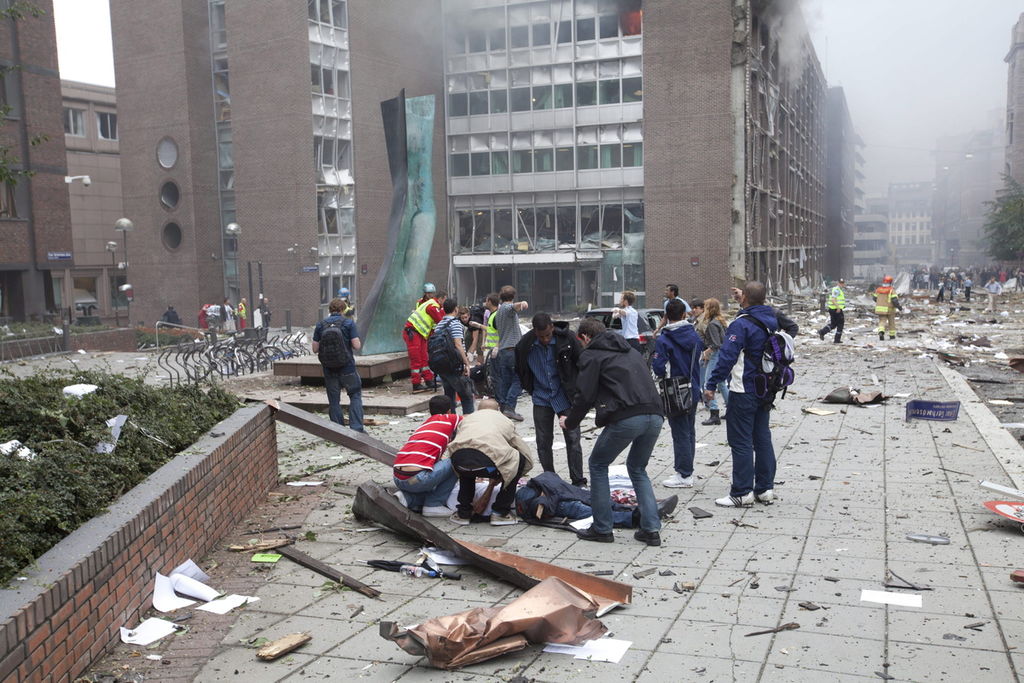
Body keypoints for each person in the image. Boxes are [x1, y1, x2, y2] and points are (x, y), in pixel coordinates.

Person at [561, 318, 664, 546]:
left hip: (628, 416)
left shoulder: (592, 355)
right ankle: (651, 529)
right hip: (656, 414)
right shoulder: (631, 351)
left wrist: (570, 422)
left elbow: (584, 395)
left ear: (585, 337)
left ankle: (602, 528)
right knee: (638, 468)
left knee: (598, 465)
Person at [703, 281, 778, 508]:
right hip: (765, 389)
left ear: (744, 297)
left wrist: (712, 383)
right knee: (762, 438)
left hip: (743, 389)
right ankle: (765, 489)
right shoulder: (772, 319)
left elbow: (727, 356)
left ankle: (742, 492)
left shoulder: (741, 325)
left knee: (741, 441)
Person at [515, 312, 586, 487]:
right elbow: (519, 368)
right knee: (543, 441)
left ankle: (578, 480)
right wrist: (528, 387)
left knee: (573, 439)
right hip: (541, 397)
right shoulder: (525, 345)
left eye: (547, 335)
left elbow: (582, 362)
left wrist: (580, 390)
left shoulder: (567, 339)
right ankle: (550, 479)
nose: (545, 339)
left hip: (565, 396)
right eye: (541, 337)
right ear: (534, 332)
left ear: (552, 327)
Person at [448, 398, 534, 526]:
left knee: (467, 464)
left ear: (479, 409)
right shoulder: (505, 420)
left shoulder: (467, 419)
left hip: (460, 463)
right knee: (519, 459)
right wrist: (518, 469)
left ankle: (463, 512)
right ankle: (500, 512)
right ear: (497, 409)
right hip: (489, 466)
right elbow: (519, 446)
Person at [653, 299, 703, 489]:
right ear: (684, 315)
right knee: (689, 430)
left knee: (680, 432)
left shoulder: (664, 339)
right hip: (694, 387)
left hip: (675, 391)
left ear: (666, 316)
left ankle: (684, 474)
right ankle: (687, 469)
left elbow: (658, 366)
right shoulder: (694, 335)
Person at [515, 472, 678, 528]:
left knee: (590, 503)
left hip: (558, 495)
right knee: (586, 509)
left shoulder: (526, 490)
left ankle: (642, 512)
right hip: (559, 501)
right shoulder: (524, 496)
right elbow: (537, 510)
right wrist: (543, 502)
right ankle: (637, 516)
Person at [392, 395, 461, 516]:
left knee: (434, 482)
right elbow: (470, 419)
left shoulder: (423, 426)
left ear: (430, 411)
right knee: (456, 461)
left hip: (398, 477)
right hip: (417, 479)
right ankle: (434, 504)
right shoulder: (448, 419)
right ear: (449, 411)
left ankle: (407, 498)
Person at [312, 297, 364, 432]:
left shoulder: (320, 325)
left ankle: (338, 430)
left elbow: (314, 349)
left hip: (329, 369)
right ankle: (356, 428)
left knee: (334, 400)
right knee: (355, 396)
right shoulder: (348, 323)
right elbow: (356, 345)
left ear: (330, 310)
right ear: (342, 309)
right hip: (347, 367)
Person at [431, 298, 474, 414]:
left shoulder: (439, 324)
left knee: (449, 399)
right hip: (455, 366)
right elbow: (458, 345)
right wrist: (466, 363)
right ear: (456, 309)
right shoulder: (455, 323)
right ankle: (468, 426)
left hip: (442, 366)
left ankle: (452, 425)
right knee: (467, 397)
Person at [492, 285, 529, 421]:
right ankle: (509, 408)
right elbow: (512, 307)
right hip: (512, 350)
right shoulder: (507, 309)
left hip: (503, 351)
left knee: (506, 381)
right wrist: (522, 303)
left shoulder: (498, 312)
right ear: (512, 297)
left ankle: (503, 408)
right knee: (518, 379)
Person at [403, 290, 445, 392]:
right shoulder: (433, 306)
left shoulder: (431, 304)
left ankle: (428, 380)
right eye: (445, 300)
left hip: (419, 333)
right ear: (441, 298)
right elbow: (440, 320)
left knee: (424, 358)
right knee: (416, 359)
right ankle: (416, 384)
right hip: (413, 333)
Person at [696, 298, 729, 425]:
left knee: (708, 383)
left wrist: (706, 353)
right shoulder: (720, 321)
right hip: (722, 355)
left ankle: (714, 412)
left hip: (715, 355)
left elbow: (716, 344)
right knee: (721, 383)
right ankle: (731, 409)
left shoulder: (712, 324)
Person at [817, 278, 846, 343]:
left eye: (843, 283)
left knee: (833, 324)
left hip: (833, 309)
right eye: (841, 283)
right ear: (838, 283)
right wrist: (838, 308)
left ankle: (822, 332)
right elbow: (833, 300)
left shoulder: (837, 289)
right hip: (836, 309)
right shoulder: (837, 290)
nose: (842, 284)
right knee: (840, 324)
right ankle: (837, 340)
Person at [873, 276, 901, 340]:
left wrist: (880, 302)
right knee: (891, 322)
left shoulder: (878, 289)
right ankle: (892, 336)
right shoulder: (891, 290)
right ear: (891, 282)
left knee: (882, 321)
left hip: (880, 309)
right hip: (890, 309)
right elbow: (894, 300)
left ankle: (881, 331)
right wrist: (899, 307)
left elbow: (874, 298)